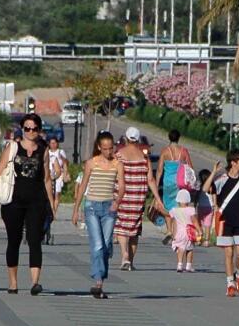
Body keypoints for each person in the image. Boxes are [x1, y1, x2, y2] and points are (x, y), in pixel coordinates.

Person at [0, 113, 56, 296]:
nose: (31, 132)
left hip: (36, 201)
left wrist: (52, 201)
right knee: (14, 240)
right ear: (22, 129)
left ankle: (35, 282)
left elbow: (47, 178)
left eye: (34, 129)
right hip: (13, 202)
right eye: (27, 128)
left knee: (35, 240)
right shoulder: (13, 147)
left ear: (39, 130)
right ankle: (13, 282)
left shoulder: (43, 150)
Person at [72, 131, 124, 299]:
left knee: (106, 245)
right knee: (97, 245)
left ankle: (101, 272)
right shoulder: (91, 163)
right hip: (92, 206)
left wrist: (117, 201)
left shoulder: (117, 164)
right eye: (106, 149)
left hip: (109, 207)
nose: (109, 152)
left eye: (111, 148)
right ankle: (98, 281)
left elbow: (122, 186)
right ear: (99, 148)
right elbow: (83, 186)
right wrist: (76, 209)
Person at [114, 126, 165, 271]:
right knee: (134, 229)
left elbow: (113, 175)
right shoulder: (144, 158)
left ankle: (124, 255)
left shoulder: (119, 155)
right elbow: (150, 180)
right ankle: (130, 260)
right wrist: (158, 199)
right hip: (138, 196)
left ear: (126, 138)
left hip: (122, 195)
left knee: (122, 226)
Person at [203, 150, 239, 297]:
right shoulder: (221, 180)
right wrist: (214, 172)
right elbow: (205, 189)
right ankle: (230, 283)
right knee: (229, 253)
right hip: (225, 222)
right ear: (233, 163)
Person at [157, 129, 193, 245]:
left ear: (169, 137)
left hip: (167, 182)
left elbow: (159, 169)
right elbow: (190, 167)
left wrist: (157, 184)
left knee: (168, 206)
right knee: (177, 207)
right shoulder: (183, 151)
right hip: (179, 182)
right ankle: (175, 231)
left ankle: (168, 230)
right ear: (179, 138)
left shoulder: (165, 151)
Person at [170, 189, 201, 272]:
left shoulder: (174, 210)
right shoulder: (191, 209)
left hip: (179, 232)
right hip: (189, 232)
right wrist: (199, 230)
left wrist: (173, 233)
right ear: (188, 200)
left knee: (181, 248)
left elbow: (174, 222)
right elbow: (194, 221)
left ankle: (179, 264)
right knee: (190, 248)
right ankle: (188, 265)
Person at [46, 137, 68, 244]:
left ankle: (53, 210)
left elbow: (64, 163)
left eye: (55, 143)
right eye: (51, 143)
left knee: (56, 194)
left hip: (56, 176)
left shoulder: (60, 152)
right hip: (46, 178)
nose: (53, 145)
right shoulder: (47, 154)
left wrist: (63, 174)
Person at [196, 168, 214, 247]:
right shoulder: (212, 186)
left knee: (199, 223)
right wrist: (215, 205)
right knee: (208, 224)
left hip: (200, 207)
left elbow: (197, 196)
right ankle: (206, 241)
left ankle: (199, 240)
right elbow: (214, 196)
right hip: (209, 207)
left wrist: (195, 204)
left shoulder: (199, 186)